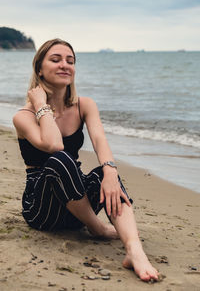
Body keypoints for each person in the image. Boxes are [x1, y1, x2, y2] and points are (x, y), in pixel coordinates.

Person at [13, 38, 159, 282]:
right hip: (42, 208)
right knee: (59, 158)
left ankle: (135, 251)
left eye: (70, 61)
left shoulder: (85, 105)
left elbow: (100, 141)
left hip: (77, 205)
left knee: (105, 173)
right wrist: (41, 105)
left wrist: (110, 173)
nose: (65, 65)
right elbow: (54, 144)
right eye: (56, 59)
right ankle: (98, 227)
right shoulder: (23, 116)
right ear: (39, 68)